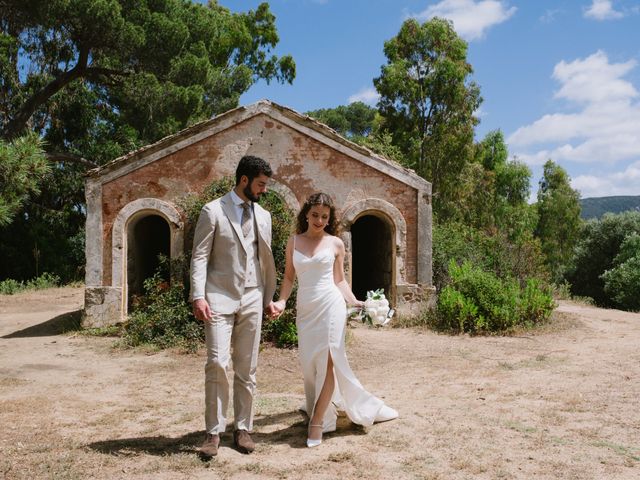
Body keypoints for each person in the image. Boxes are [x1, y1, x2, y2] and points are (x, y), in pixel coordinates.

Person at [271, 192, 398, 448]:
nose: (319, 220)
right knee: (310, 364)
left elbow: (339, 280)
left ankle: (318, 421)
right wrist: (282, 302)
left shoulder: (335, 244)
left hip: (331, 305)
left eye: (324, 217)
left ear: (330, 219)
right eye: (315, 215)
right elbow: (288, 278)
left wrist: (355, 302)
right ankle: (320, 406)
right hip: (306, 309)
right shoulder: (293, 242)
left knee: (329, 359)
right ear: (306, 214)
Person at [190, 155, 277, 458]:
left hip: (253, 295)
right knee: (216, 363)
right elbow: (200, 256)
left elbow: (264, 259)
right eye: (261, 184)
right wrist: (197, 296)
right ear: (244, 180)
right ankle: (213, 433)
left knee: (247, 367)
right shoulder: (212, 211)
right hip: (218, 296)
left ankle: (243, 428)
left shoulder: (264, 216)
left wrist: (268, 298)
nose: (264, 190)